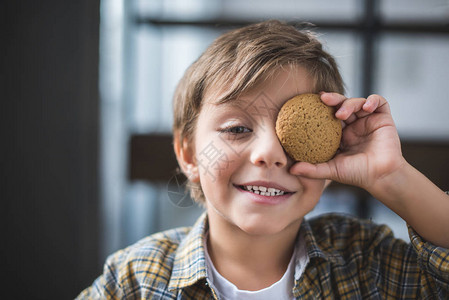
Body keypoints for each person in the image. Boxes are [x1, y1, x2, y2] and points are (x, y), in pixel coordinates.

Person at [77, 20, 449, 299]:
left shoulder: (367, 261)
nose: (269, 153)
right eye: (237, 128)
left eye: (294, 135)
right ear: (189, 153)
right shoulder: (136, 279)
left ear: (331, 147)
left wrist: (392, 176)